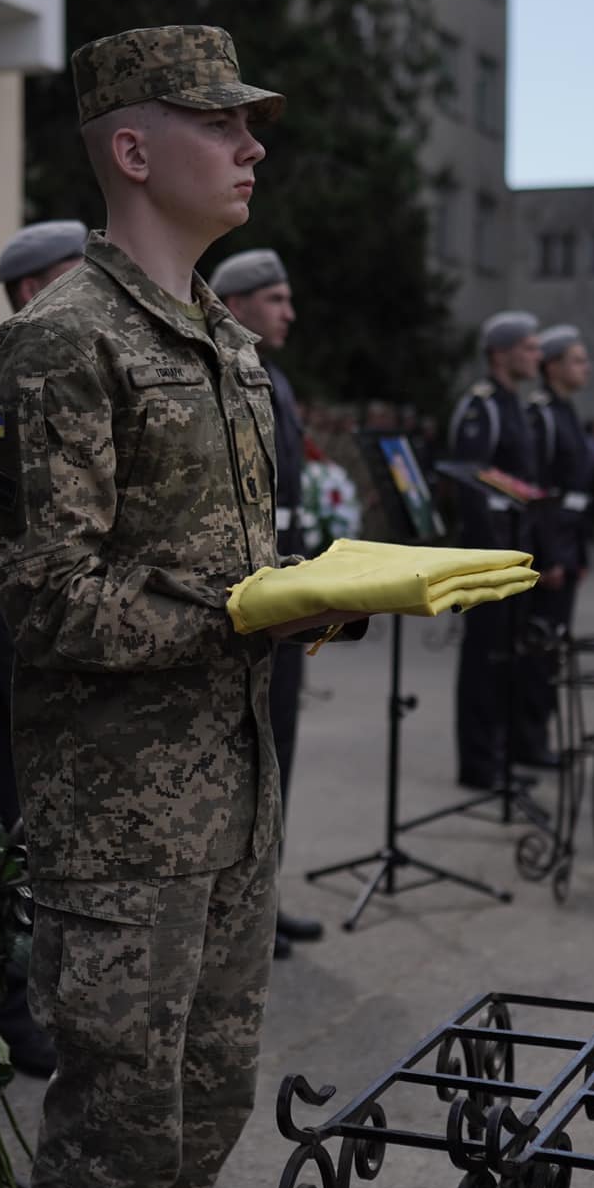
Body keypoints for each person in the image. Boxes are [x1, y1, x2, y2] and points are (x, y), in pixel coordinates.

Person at [0, 24, 365, 1188]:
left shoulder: (225, 343)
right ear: (131, 149)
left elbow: (225, 565)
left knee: (206, 1110)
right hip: (126, 828)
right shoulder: (61, 340)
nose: (250, 145)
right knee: (113, 1138)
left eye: (248, 124)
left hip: (232, 800)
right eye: (220, 123)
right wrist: (247, 613)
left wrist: (315, 592)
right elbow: (47, 600)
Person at [0, 219, 87, 1080]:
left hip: (57, 665)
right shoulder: (2, 380)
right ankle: (0, 1013)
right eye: (78, 275)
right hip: (13, 667)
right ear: (33, 290)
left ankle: (42, 998)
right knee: (10, 845)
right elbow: (0, 523)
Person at [210, 245, 323, 960]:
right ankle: (235, 912)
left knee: (277, 755)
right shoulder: (223, 368)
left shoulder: (270, 376)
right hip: (251, 595)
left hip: (286, 587)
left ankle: (262, 899)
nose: (288, 312)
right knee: (243, 761)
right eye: (275, 300)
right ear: (241, 301)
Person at [450, 309, 556, 785]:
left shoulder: (517, 406)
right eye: (529, 348)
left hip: (517, 553)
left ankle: (502, 754)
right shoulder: (484, 407)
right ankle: (479, 763)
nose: (537, 356)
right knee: (484, 659)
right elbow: (469, 484)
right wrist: (491, 557)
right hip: (489, 558)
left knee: (508, 658)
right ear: (500, 353)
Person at [526, 325, 594, 746]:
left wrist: (580, 554)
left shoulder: (568, 413)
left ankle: (542, 733)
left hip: (569, 545)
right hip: (551, 548)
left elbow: (580, 496)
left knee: (555, 645)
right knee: (540, 648)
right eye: (577, 360)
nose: (586, 367)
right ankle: (531, 738)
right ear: (551, 367)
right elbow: (539, 492)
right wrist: (547, 556)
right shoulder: (543, 416)